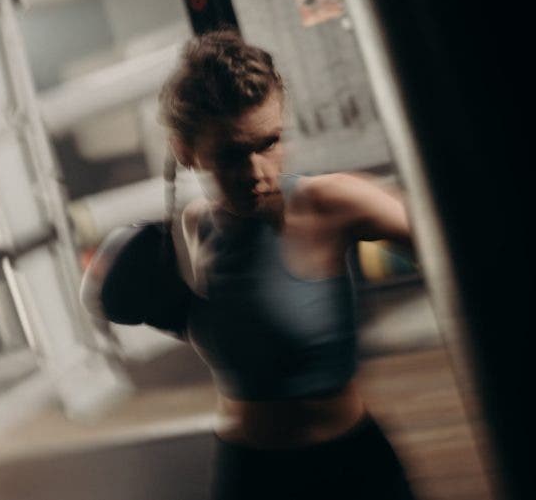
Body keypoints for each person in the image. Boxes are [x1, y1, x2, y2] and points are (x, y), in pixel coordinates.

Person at [82, 29, 416, 500]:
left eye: (269, 142)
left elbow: (461, 244)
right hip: (250, 476)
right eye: (231, 154)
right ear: (186, 151)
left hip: (351, 468)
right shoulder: (187, 232)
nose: (257, 171)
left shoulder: (329, 202)